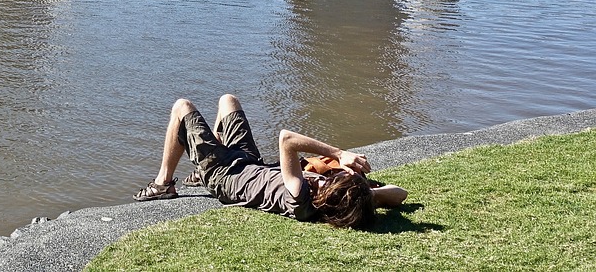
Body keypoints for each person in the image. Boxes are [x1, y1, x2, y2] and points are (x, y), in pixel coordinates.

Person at [133, 94, 407, 229]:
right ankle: (201, 166)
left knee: (182, 107)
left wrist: (339, 154)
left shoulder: (299, 198)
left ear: (327, 196)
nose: (326, 177)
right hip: (249, 162)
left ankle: (163, 183)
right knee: (228, 101)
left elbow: (286, 139)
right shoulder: (341, 203)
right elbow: (400, 194)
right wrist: (367, 193)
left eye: (329, 180)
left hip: (224, 175)